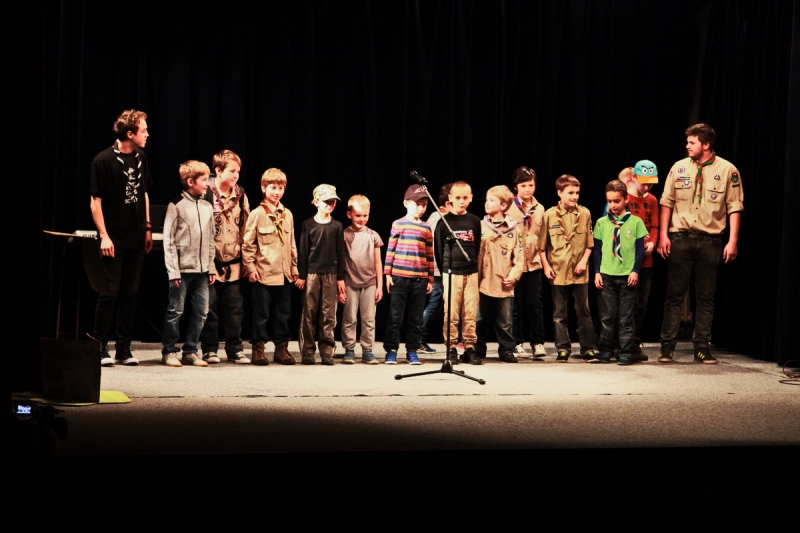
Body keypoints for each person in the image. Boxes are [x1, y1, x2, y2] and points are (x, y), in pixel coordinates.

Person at [657, 124, 743, 364]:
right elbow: (667, 202)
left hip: (710, 240)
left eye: (692, 142)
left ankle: (702, 346)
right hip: (680, 237)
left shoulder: (727, 170)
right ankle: (667, 345)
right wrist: (663, 235)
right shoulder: (679, 167)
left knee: (705, 296)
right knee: (674, 294)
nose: (687, 146)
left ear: (706, 144)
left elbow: (734, 206)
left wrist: (732, 240)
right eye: (688, 142)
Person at [90, 109, 154, 367]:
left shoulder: (141, 157)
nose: (147, 134)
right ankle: (99, 347)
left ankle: (123, 349)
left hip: (136, 237)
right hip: (113, 237)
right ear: (130, 134)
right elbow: (95, 201)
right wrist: (104, 236)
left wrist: (147, 227)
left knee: (131, 293)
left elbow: (144, 192)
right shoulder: (103, 160)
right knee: (110, 294)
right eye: (143, 130)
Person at [242, 168, 299, 366]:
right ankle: (258, 348)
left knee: (283, 313)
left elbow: (291, 244)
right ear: (263, 188)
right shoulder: (257, 214)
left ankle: (281, 348)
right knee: (261, 314)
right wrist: (250, 268)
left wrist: (294, 269)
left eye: (280, 188)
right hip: (263, 273)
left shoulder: (287, 214)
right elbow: (247, 244)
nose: (277, 192)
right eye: (273, 188)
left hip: (284, 273)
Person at [538, 174, 599, 362]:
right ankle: (563, 348)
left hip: (580, 272)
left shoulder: (585, 213)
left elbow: (590, 244)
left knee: (584, 312)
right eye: (570, 193)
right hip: (558, 271)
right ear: (559, 193)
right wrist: (546, 266)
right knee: (559, 313)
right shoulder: (549, 215)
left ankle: (587, 348)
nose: (574, 196)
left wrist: (583, 261)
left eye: (577, 193)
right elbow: (542, 247)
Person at [161, 161, 216, 367]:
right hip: (182, 270)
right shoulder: (176, 205)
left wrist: (211, 267)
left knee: (202, 310)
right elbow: (168, 240)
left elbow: (210, 240)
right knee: (176, 310)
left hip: (202, 270)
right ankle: (169, 351)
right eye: (204, 180)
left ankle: (191, 350)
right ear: (191, 181)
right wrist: (173, 271)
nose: (208, 184)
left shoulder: (207, 206)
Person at [199, 150, 251, 364]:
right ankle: (209, 349)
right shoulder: (206, 193)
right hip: (211, 262)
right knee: (209, 308)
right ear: (218, 171)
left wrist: (247, 260)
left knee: (235, 309)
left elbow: (246, 227)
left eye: (238, 171)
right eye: (232, 171)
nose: (236, 175)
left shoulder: (240, 194)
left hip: (234, 263)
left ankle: (235, 348)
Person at [593, 180, 648, 365]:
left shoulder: (636, 222)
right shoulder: (601, 223)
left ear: (626, 199)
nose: (613, 205)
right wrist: (597, 272)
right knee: (607, 316)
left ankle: (625, 351)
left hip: (627, 276)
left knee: (626, 317)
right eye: (610, 201)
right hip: (607, 275)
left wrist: (635, 271)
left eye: (617, 201)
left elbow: (640, 250)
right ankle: (605, 350)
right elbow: (597, 249)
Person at [383, 184, 434, 364]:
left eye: (424, 205)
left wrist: (430, 278)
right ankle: (391, 349)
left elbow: (429, 254)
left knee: (416, 318)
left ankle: (412, 350)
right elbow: (390, 249)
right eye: (417, 204)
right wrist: (387, 274)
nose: (421, 208)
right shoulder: (398, 224)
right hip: (400, 277)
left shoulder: (426, 228)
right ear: (406, 203)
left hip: (420, 279)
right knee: (395, 317)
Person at [297, 184, 346, 365]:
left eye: (333, 201)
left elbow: (340, 254)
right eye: (327, 201)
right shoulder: (308, 225)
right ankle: (308, 351)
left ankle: (327, 351)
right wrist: (302, 275)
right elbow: (303, 251)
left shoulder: (337, 226)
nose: (330, 205)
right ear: (316, 202)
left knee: (328, 314)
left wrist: (340, 278)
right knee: (309, 312)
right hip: (312, 274)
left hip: (331, 275)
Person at [475, 186, 525, 363]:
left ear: (503, 206)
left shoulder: (513, 229)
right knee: (478, 318)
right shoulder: (480, 226)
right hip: (482, 281)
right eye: (486, 199)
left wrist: (514, 276)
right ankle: (477, 348)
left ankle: (506, 350)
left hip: (504, 282)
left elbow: (519, 258)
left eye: (491, 200)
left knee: (505, 321)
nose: (486, 203)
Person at [435, 181, 482, 365]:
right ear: (450, 199)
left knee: (470, 312)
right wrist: (446, 270)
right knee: (451, 312)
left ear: (471, 198)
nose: (461, 201)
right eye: (458, 198)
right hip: (451, 273)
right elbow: (439, 251)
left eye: (465, 197)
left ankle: (469, 347)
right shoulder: (443, 222)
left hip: (471, 272)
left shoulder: (474, 221)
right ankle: (451, 347)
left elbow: (477, 246)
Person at [506, 167, 546, 359]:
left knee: (535, 306)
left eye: (531, 185)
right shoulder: (509, 206)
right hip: (515, 265)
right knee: (516, 306)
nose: (528, 189)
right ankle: (517, 342)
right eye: (523, 186)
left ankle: (537, 343)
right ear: (516, 187)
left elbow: (542, 237)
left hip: (534, 263)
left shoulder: (540, 208)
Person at [340, 195, 384, 364]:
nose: (362, 219)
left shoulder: (373, 236)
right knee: (349, 318)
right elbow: (340, 261)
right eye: (358, 215)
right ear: (349, 214)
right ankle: (349, 349)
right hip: (350, 283)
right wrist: (340, 285)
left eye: (365, 215)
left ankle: (367, 350)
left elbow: (378, 262)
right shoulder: (344, 235)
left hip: (370, 283)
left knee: (369, 319)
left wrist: (379, 286)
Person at [624, 161, 660, 360]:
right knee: (627, 304)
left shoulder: (652, 200)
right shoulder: (625, 198)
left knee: (641, 304)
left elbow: (654, 226)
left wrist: (652, 242)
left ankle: (635, 343)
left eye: (650, 184)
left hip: (646, 262)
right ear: (634, 178)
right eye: (643, 183)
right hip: (627, 261)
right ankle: (622, 343)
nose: (646, 187)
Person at [419, 183, 452, 354]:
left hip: (441, 269)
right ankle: (419, 338)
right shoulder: (439, 219)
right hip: (439, 270)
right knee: (434, 305)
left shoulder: (435, 216)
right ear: (448, 202)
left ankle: (419, 338)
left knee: (436, 306)